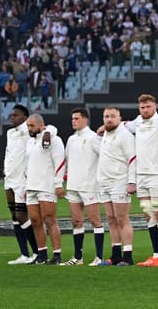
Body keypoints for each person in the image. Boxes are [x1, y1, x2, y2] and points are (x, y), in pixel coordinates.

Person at [124, 94, 158, 268]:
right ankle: (155, 255)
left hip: (157, 175)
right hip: (141, 175)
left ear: (154, 106)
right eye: (142, 107)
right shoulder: (138, 121)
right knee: (148, 214)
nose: (145, 110)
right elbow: (124, 125)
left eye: (148, 107)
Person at [4, 105, 49, 265]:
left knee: (22, 216)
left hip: (22, 181)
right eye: (12, 115)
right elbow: (10, 152)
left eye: (15, 115)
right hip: (9, 179)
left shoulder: (27, 129)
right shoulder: (10, 132)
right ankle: (24, 254)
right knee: (14, 217)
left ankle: (38, 252)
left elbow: (49, 128)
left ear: (24, 117)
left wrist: (49, 133)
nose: (12, 117)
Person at [61, 108, 104, 266]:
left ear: (85, 120)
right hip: (73, 186)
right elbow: (66, 160)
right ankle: (77, 258)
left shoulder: (93, 138)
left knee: (94, 220)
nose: (73, 121)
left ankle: (99, 257)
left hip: (89, 186)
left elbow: (104, 157)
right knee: (76, 221)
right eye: (72, 118)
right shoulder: (71, 139)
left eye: (77, 118)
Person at [97, 107, 137, 266]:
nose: (109, 119)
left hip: (119, 182)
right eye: (106, 116)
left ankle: (128, 256)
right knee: (111, 219)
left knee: (122, 219)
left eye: (112, 116)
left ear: (120, 118)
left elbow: (133, 159)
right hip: (104, 183)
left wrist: (132, 182)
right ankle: (115, 255)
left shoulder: (125, 135)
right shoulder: (106, 133)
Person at [25, 114, 66, 265]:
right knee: (35, 221)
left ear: (42, 126)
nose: (29, 129)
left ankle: (57, 255)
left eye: (32, 126)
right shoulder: (29, 142)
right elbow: (27, 163)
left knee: (50, 220)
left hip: (47, 186)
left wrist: (58, 184)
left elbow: (60, 162)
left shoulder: (53, 139)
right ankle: (41, 254)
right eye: (28, 126)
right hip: (31, 187)